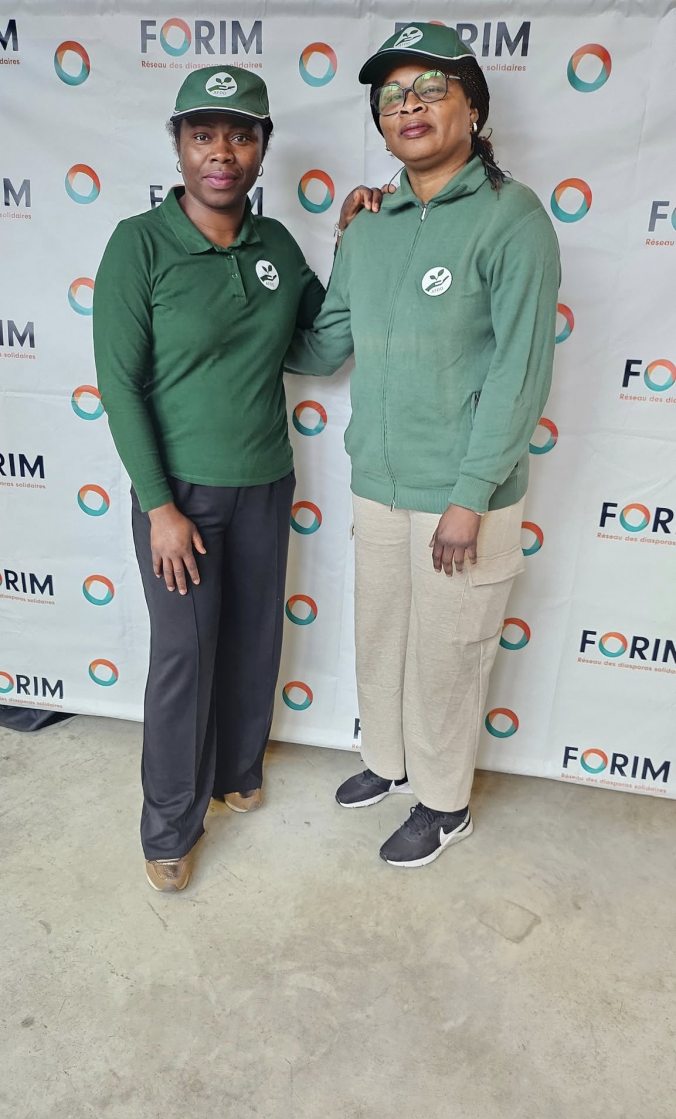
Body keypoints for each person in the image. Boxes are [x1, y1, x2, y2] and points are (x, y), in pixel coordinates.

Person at [286, 24, 561, 868]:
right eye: (392, 97)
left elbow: (519, 372)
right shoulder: (371, 223)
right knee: (382, 638)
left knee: (449, 656)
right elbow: (324, 346)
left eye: (431, 90)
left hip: (462, 494)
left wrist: (469, 496)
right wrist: (238, 310)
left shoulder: (513, 218)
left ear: (473, 108)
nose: (410, 107)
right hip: (379, 479)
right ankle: (388, 761)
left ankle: (444, 804)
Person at [93, 66, 373, 893]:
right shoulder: (139, 245)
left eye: (241, 136)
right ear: (179, 145)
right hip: (180, 496)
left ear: (262, 148)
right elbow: (120, 386)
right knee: (185, 655)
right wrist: (159, 508)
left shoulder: (275, 245)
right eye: (204, 135)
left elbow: (317, 347)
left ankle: (237, 772)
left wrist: (351, 250)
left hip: (265, 483)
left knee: (252, 639)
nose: (223, 152)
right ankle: (169, 827)